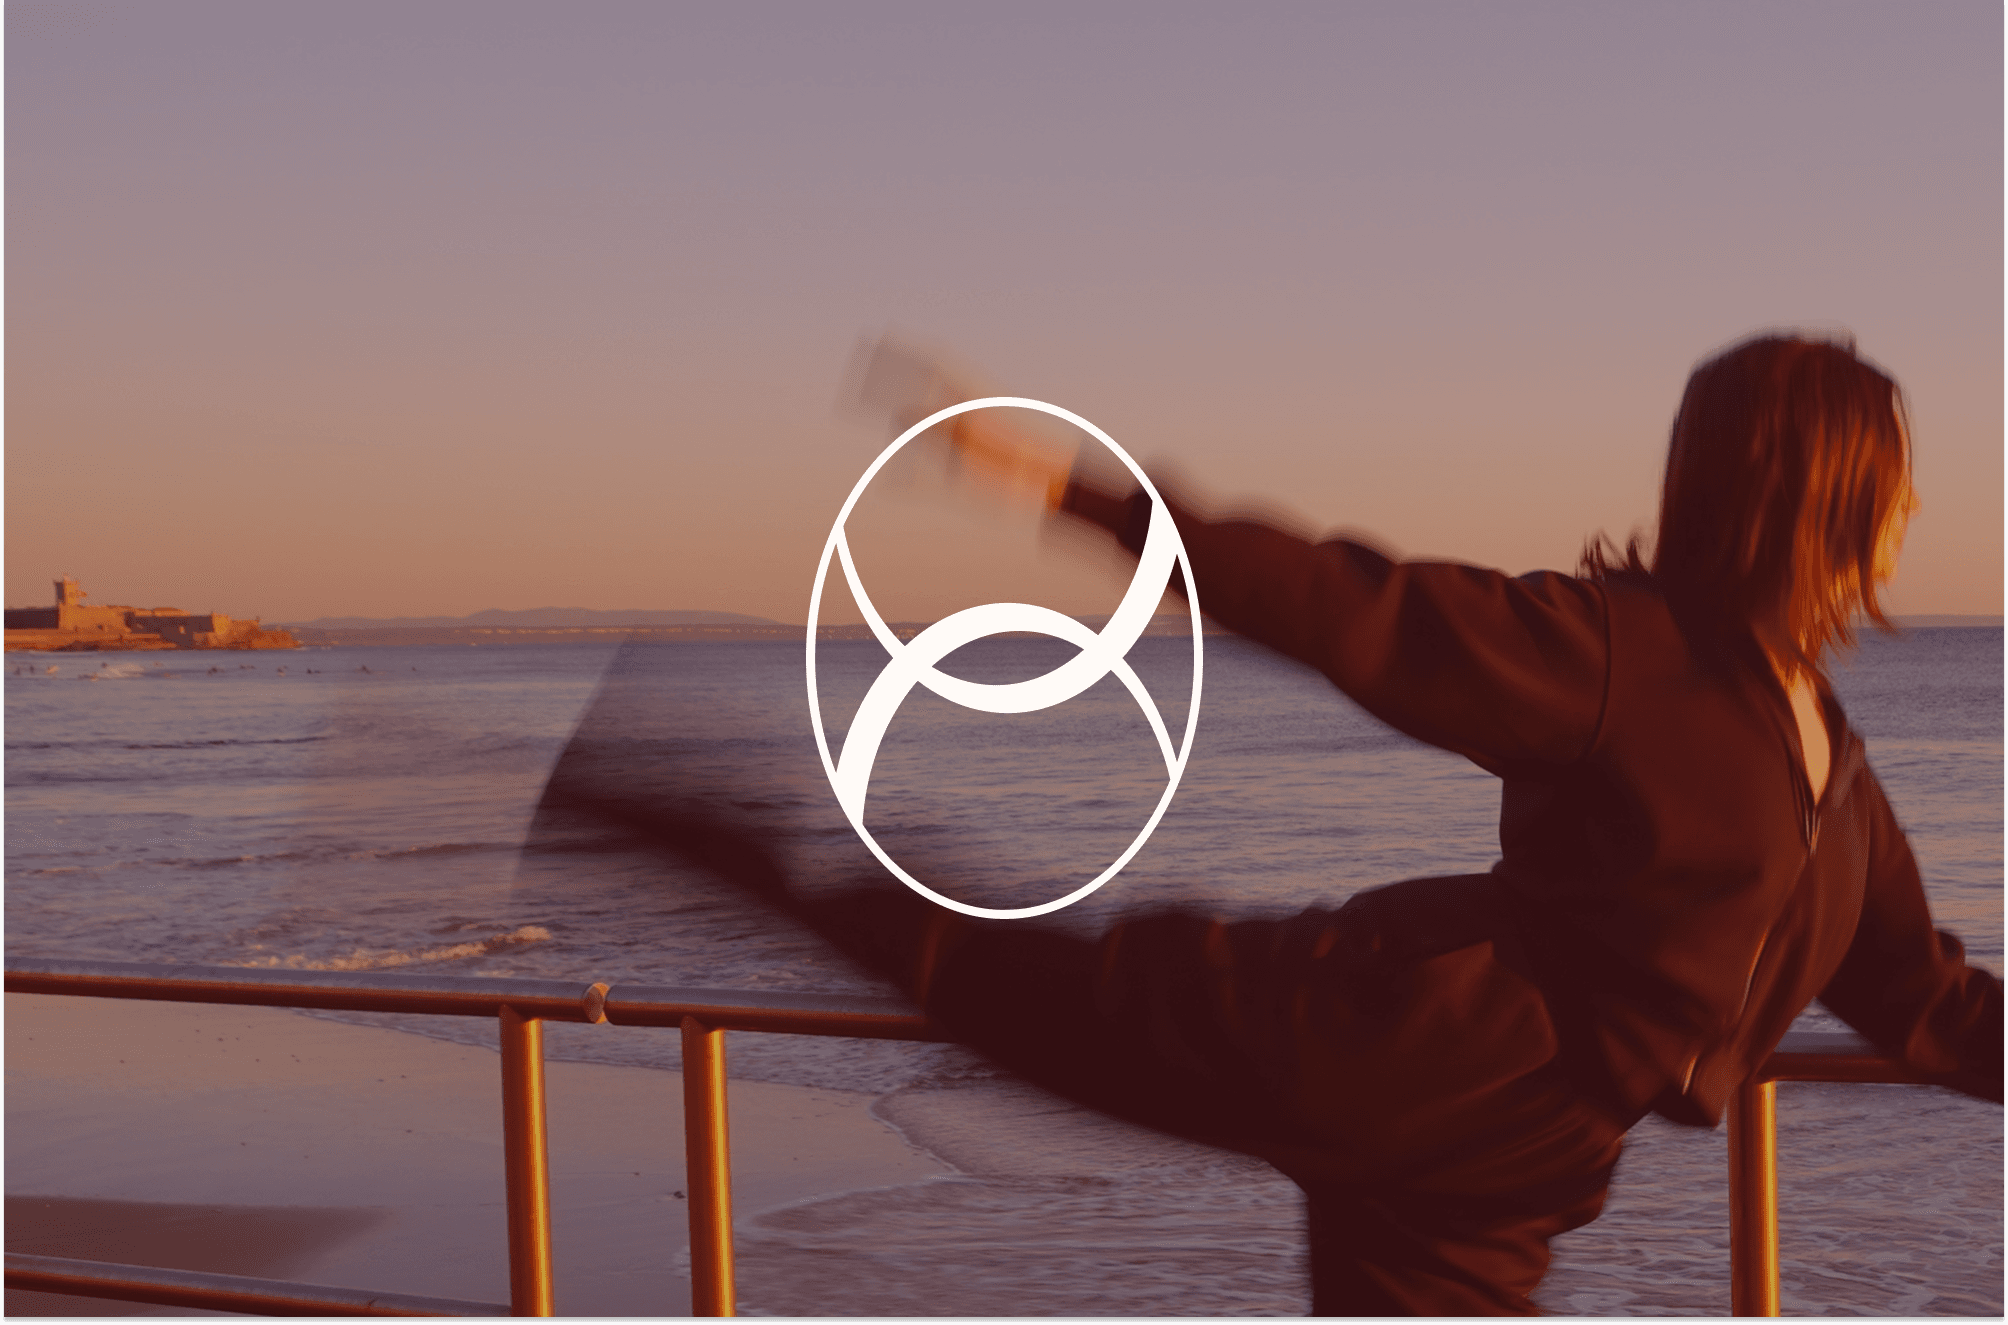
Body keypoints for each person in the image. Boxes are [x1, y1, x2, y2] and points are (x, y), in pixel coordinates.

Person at [653, 333, 2002, 1316]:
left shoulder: (1844, 787)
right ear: (1817, 486)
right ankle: (682, 815)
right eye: (1899, 473)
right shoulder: (1621, 657)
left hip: (1496, 1190)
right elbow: (1356, 610)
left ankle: (699, 821)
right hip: (1384, 1046)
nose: (1918, 507)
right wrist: (1078, 492)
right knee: (1011, 980)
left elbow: (1928, 1006)